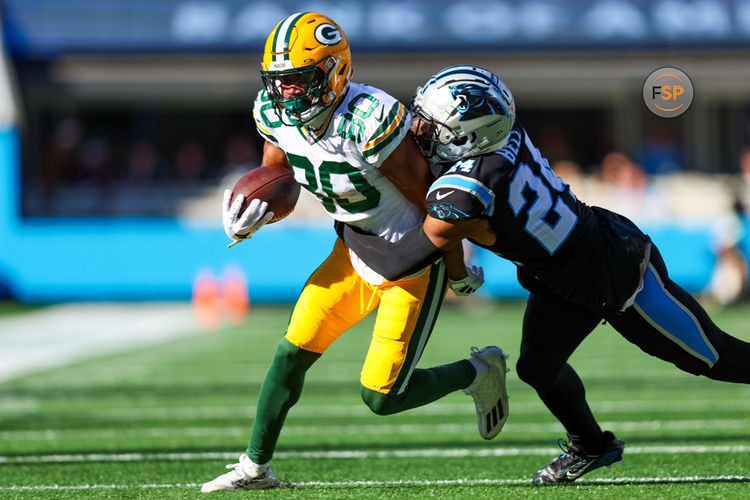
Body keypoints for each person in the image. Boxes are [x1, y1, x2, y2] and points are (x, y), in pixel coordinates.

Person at [339, 65, 750, 484]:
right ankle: (591, 446)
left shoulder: (467, 187)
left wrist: (347, 221)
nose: (418, 128)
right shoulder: (502, 135)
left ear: (468, 135)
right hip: (558, 274)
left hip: (615, 272)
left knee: (715, 357)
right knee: (537, 367)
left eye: (431, 124)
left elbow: (402, 259)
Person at [201, 15, 508, 492]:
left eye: (299, 81)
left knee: (382, 396)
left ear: (334, 72)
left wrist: (456, 266)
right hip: (355, 244)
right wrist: (258, 213)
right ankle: (254, 469)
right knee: (291, 351)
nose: (287, 95)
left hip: (412, 256)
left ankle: (479, 370)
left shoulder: (367, 117)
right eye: (279, 83)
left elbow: (432, 196)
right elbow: (279, 179)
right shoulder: (274, 111)